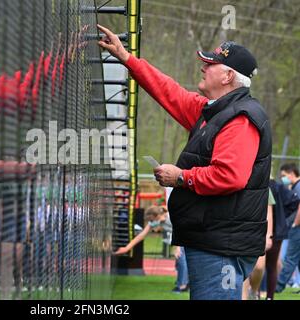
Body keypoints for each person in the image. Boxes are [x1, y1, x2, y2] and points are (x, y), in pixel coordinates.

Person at [98, 25, 272, 300]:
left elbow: (230, 176)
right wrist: (127, 58)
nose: (203, 67)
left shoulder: (239, 118)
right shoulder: (216, 111)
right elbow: (170, 92)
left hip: (220, 245)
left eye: (211, 64)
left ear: (228, 75)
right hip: (214, 240)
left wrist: (180, 177)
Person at [266, 178, 299, 299]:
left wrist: (282, 217)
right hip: (270, 231)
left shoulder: (275, 185)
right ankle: (259, 292)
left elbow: (295, 201)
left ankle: (270, 295)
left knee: (272, 265)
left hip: (275, 232)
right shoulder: (275, 185)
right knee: (265, 266)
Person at [242, 188, 275, 300]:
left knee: (259, 268)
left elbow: (268, 212)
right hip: (240, 232)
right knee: (243, 269)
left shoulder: (264, 184)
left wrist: (268, 236)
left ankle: (254, 292)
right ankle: (244, 296)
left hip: (258, 232)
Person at [276, 163, 300, 293]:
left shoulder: (298, 187)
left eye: (284, 175)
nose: (283, 178)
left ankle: (278, 286)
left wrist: (295, 223)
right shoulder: (295, 186)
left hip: (298, 228)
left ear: (291, 174)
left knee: (290, 258)